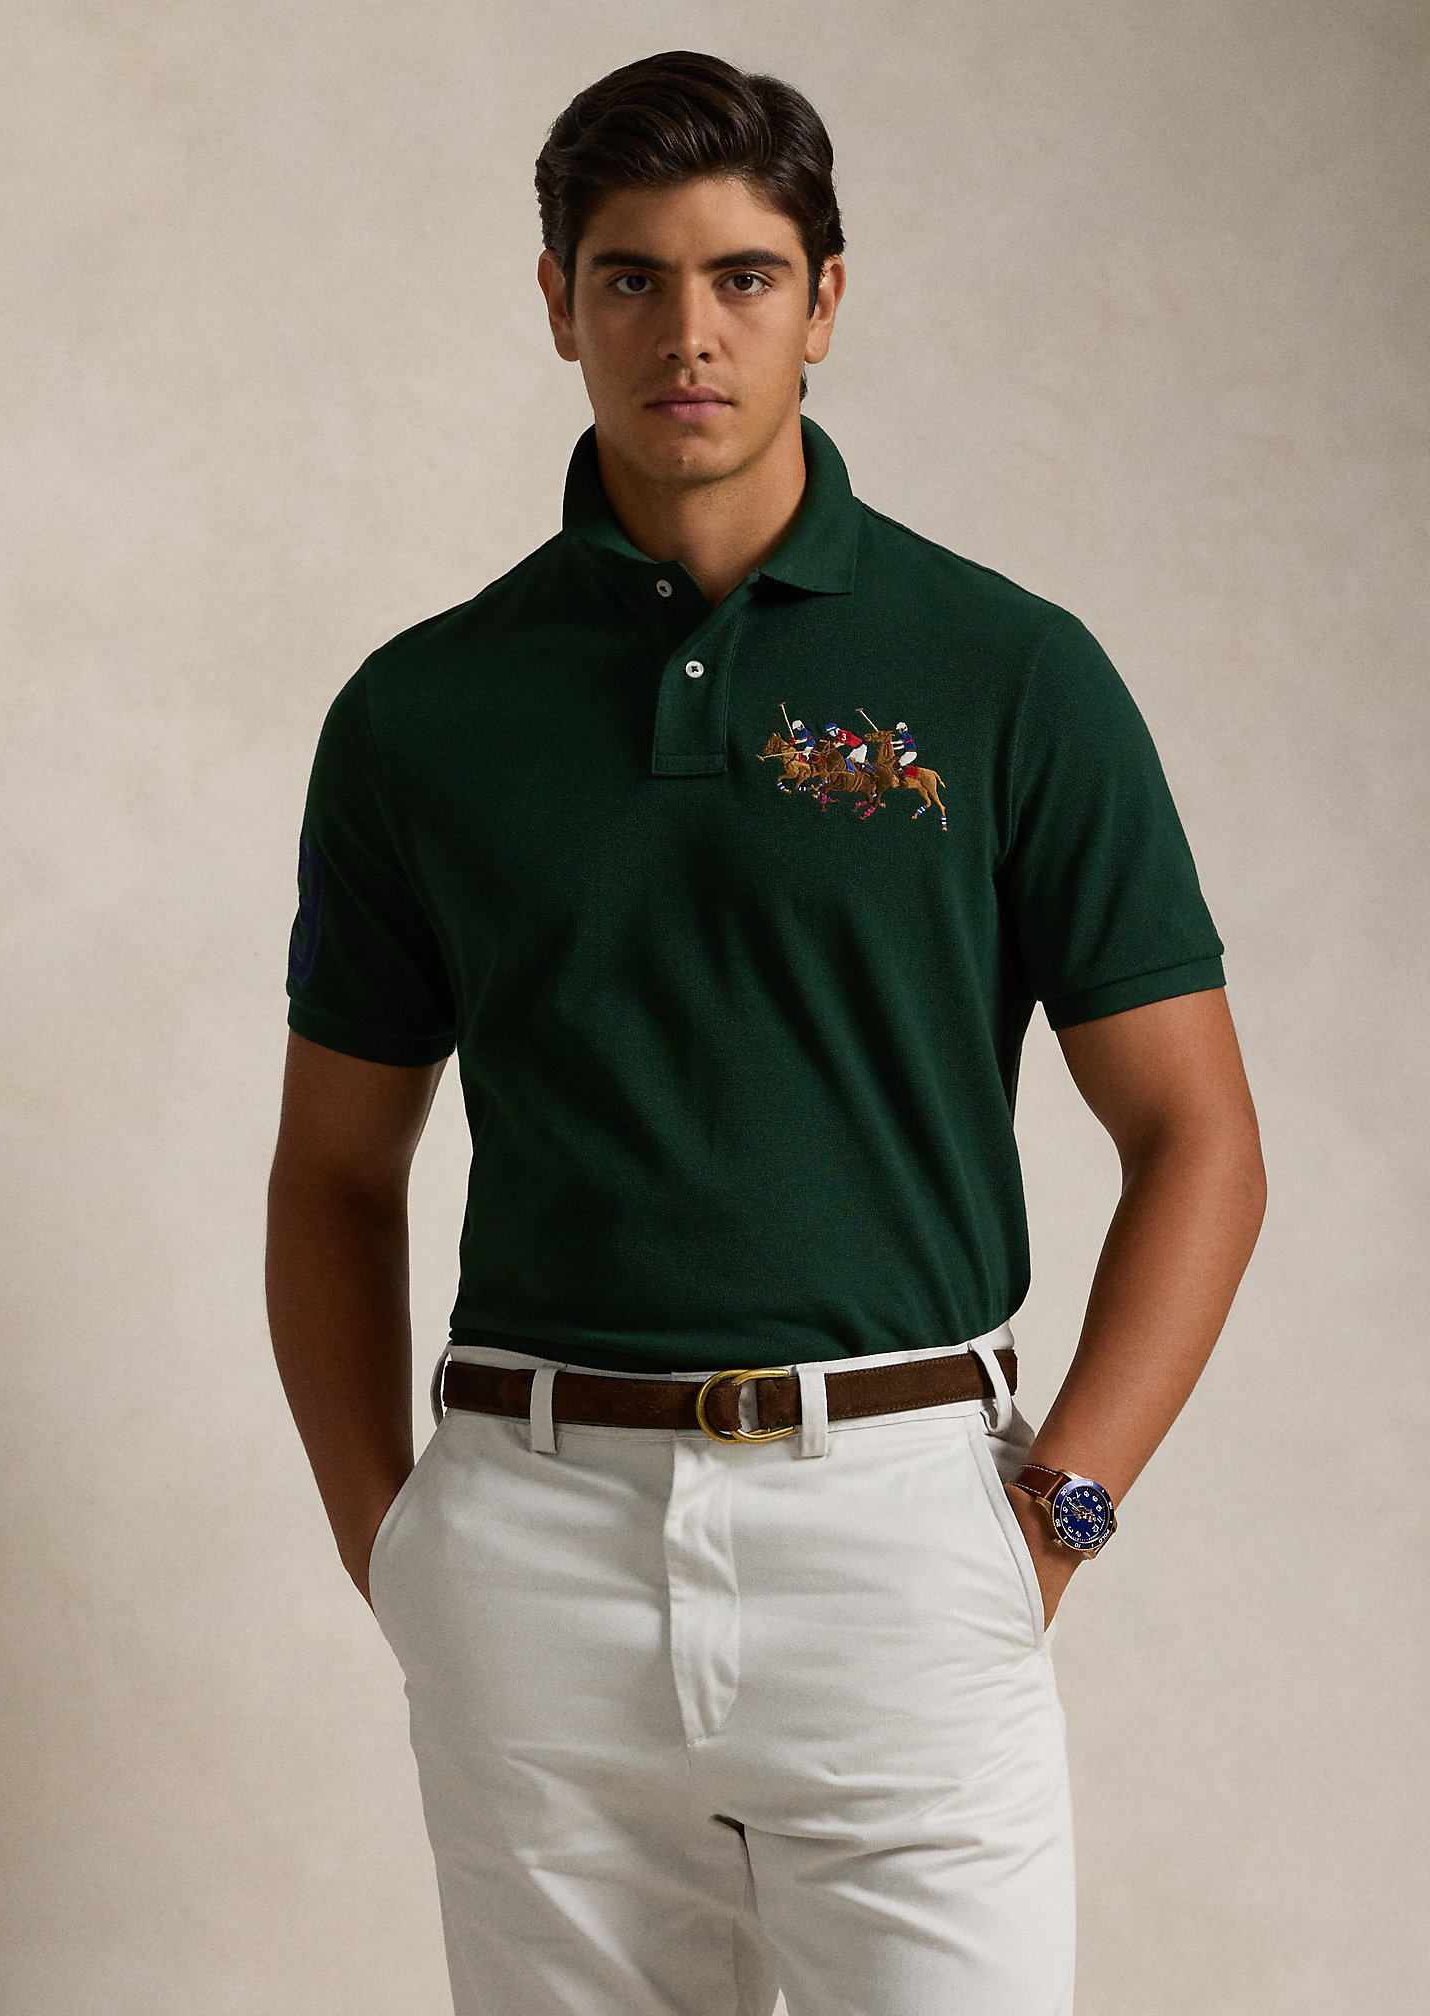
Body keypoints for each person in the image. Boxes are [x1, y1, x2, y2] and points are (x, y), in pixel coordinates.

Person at [265, 48, 1266, 2016]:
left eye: (742, 276)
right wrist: (399, 1548)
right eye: (631, 278)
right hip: (531, 1552)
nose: (688, 331)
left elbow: (1200, 1139)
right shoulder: (420, 715)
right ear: (557, 303)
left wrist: (1058, 1515)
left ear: (826, 300)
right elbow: (332, 1169)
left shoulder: (1009, 674)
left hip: (903, 1542)